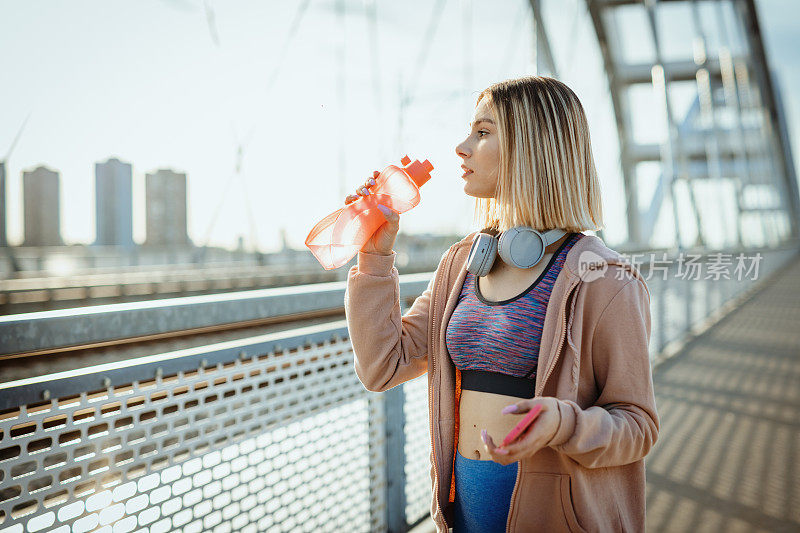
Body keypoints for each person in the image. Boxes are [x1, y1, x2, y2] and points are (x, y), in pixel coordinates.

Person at [343, 76, 659, 533]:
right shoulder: (462, 264)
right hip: (465, 517)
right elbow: (382, 366)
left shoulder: (604, 278)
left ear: (533, 148)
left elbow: (637, 426)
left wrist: (562, 424)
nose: (461, 147)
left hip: (556, 519)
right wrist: (374, 256)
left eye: (483, 132)